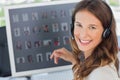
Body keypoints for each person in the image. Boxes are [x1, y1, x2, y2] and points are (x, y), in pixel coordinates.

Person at [50, 0, 120, 80]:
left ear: (106, 32)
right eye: (79, 25)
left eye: (92, 27)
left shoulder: (102, 74)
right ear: (72, 27)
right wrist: (75, 61)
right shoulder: (98, 63)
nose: (83, 34)